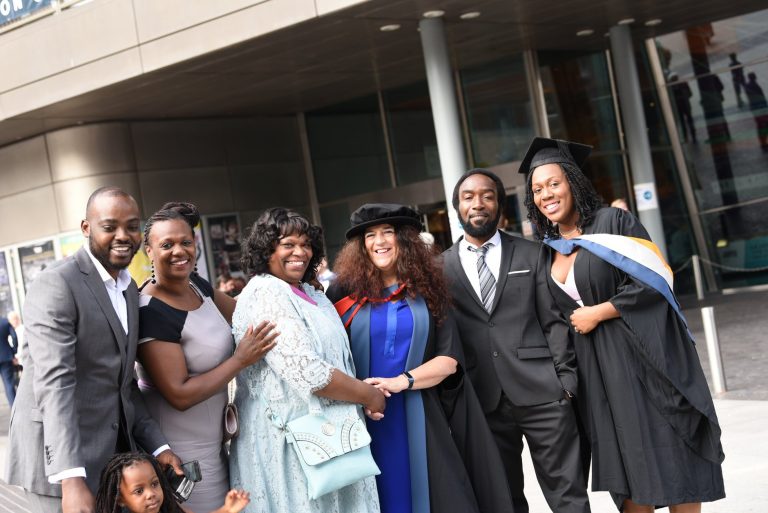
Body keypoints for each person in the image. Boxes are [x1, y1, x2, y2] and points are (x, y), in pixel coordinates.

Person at [521, 137, 725, 512]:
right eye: (537, 189)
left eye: (553, 183)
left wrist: (600, 311)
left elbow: (655, 277)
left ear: (572, 182)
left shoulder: (613, 222)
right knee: (625, 470)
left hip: (643, 360)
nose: (546, 194)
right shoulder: (547, 248)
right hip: (597, 374)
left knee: (673, 454)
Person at [328, 204, 515, 513]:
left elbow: (449, 359)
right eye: (370, 235)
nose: (379, 241)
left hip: (421, 416)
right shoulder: (342, 291)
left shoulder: (427, 289)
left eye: (388, 232)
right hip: (360, 419)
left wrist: (401, 381)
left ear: (405, 240)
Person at [7, 186, 183, 513]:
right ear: (86, 228)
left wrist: (159, 447)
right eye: (109, 226)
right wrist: (71, 479)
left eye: (132, 226)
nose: (123, 235)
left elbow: (123, 385)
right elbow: (55, 383)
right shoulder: (57, 283)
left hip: (110, 455)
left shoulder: (129, 288)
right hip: (58, 465)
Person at [442, 169, 589, 513]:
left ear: (499, 205)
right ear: (457, 208)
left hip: (544, 394)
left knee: (569, 498)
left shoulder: (531, 253)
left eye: (487, 196)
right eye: (468, 197)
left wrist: (565, 382)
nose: (478, 203)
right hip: (482, 401)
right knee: (502, 501)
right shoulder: (439, 268)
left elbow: (553, 320)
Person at [229, 207, 383, 513]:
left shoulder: (309, 292)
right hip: (290, 445)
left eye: (306, 244)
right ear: (266, 250)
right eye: (288, 244)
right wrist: (369, 395)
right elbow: (308, 372)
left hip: (330, 437)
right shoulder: (266, 294)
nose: (300, 252)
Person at [136, 202, 278, 511]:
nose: (179, 251)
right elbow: (180, 394)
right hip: (183, 455)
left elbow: (245, 314)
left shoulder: (197, 286)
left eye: (186, 242)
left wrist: (286, 290)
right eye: (167, 244)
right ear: (148, 250)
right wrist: (240, 360)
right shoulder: (151, 310)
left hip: (217, 445)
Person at [95, 452, 250, 513]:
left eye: (154, 484)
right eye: (139, 491)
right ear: (121, 499)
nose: (151, 494)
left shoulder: (171, 510)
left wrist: (227, 509)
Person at [745, 72, 768, 150]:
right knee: (763, 125)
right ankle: (763, 143)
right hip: (760, 108)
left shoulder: (748, 86)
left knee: (761, 125)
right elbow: (761, 97)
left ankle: (763, 142)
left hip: (756, 108)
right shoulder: (754, 85)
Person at [0, 314, 18, 406]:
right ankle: (14, 407)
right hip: (6, 356)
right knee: (9, 384)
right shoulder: (5, 322)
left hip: (6, 357)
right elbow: (14, 337)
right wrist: (13, 351)